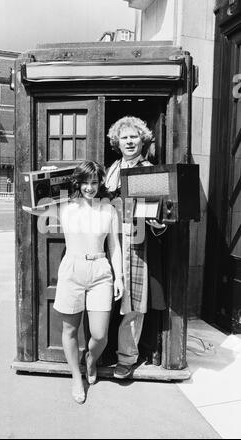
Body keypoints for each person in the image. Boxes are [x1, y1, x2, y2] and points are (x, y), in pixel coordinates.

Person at [32, 160, 123, 404]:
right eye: (85, 182)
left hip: (101, 270)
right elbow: (33, 208)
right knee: (70, 330)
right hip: (72, 269)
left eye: (95, 182)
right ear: (77, 183)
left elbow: (114, 246)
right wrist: (44, 179)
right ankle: (75, 376)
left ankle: (91, 360)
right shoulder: (65, 207)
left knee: (100, 334)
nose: (90, 187)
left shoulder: (109, 210)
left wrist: (119, 277)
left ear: (100, 183)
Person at [106, 116, 167, 379]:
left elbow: (162, 214)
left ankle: (126, 357)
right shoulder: (111, 169)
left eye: (134, 136)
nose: (129, 141)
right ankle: (103, 350)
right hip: (108, 241)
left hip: (135, 244)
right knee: (106, 296)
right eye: (124, 137)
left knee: (132, 303)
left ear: (142, 140)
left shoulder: (150, 171)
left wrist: (158, 222)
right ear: (116, 142)